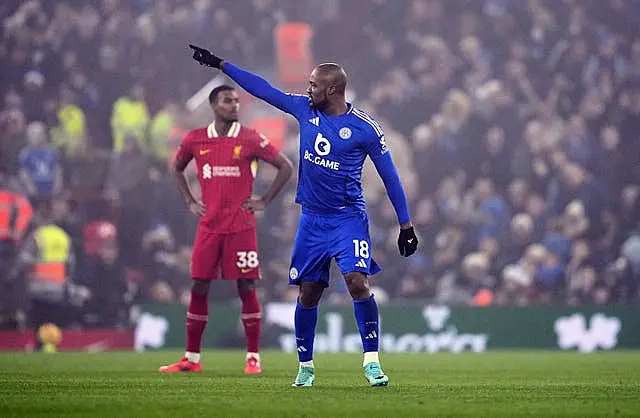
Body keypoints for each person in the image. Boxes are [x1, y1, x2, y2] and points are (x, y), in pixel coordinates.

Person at [188, 45, 419, 387]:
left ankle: (372, 362)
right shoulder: (303, 109)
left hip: (347, 218)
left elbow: (391, 176)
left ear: (332, 90)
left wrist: (406, 224)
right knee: (309, 293)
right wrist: (222, 65)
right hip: (312, 219)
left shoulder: (365, 128)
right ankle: (306, 366)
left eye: (313, 85)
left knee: (358, 282)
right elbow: (262, 88)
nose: (306, 89)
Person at [159, 84, 293, 374]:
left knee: (246, 287)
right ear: (213, 105)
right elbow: (177, 168)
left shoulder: (250, 138)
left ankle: (253, 357)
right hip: (209, 226)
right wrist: (190, 201)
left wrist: (264, 200)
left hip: (241, 227)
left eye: (236, 101)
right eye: (227, 101)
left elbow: (285, 166)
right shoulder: (196, 139)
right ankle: (191, 359)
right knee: (198, 285)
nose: (234, 105)